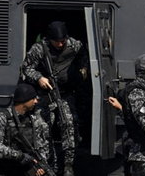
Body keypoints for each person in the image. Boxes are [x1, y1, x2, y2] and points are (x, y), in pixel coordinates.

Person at [21, 21, 87, 176]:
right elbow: (26, 68)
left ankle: (69, 166)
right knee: (42, 128)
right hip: (45, 95)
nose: (60, 44)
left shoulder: (74, 45)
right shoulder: (39, 49)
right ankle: (44, 165)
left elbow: (85, 55)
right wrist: (39, 78)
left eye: (62, 41)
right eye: (56, 41)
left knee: (69, 125)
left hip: (65, 94)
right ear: (49, 39)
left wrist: (82, 70)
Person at [0, 83, 52, 176]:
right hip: (4, 171)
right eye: (33, 98)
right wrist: (20, 156)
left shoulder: (34, 119)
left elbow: (41, 145)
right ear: (24, 100)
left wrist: (39, 166)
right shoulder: (2, 118)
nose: (36, 101)